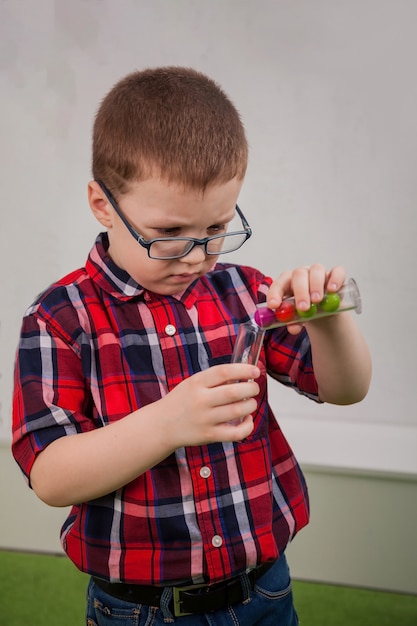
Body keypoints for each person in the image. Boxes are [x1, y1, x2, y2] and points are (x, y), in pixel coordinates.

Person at [12, 66, 371, 625]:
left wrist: (328, 322)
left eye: (216, 229)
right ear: (103, 205)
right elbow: (51, 476)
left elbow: (346, 390)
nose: (197, 257)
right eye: (169, 234)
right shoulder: (60, 318)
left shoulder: (244, 293)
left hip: (265, 592)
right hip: (139, 611)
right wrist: (168, 422)